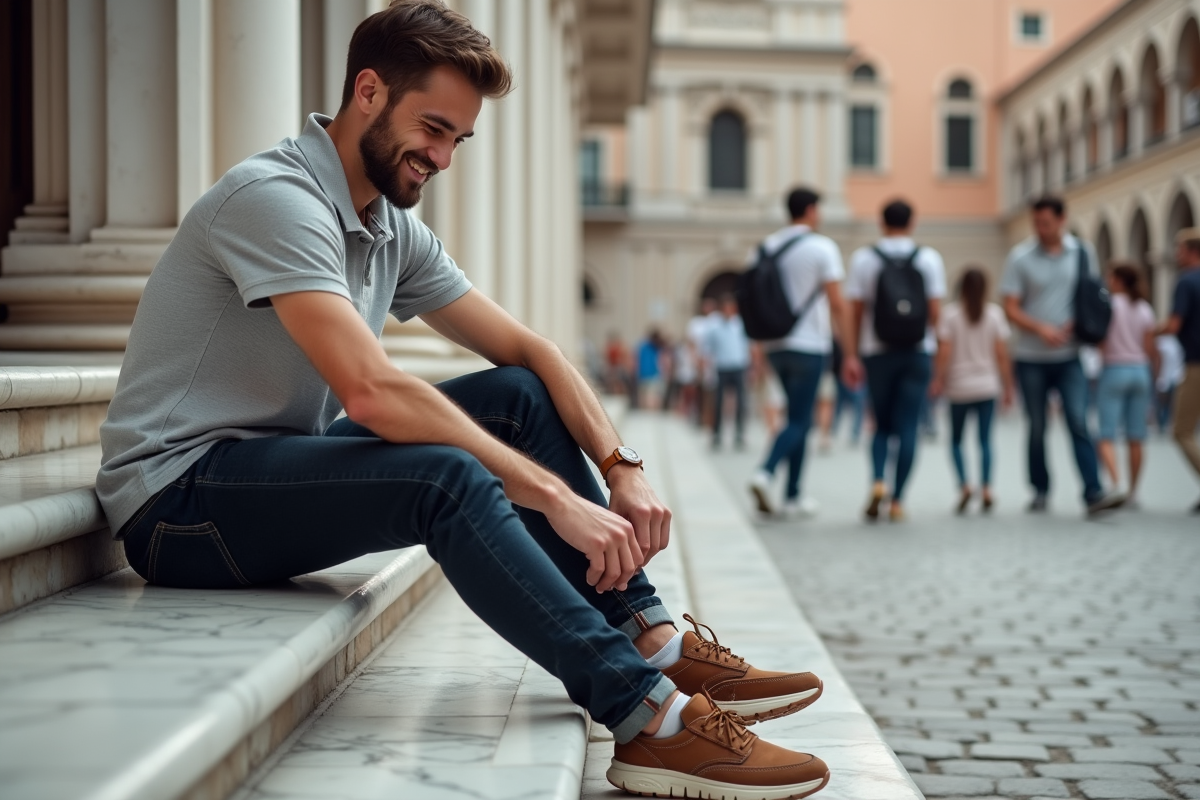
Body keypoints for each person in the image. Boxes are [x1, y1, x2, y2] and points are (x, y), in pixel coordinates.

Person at [94, 4, 831, 797]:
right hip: (178, 506)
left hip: (262, 469)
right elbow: (372, 392)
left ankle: (648, 636)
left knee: (516, 394)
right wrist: (556, 497)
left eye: (458, 140)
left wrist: (621, 466)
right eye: (433, 129)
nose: (443, 158)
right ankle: (647, 717)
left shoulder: (384, 223)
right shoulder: (277, 199)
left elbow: (532, 352)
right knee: (446, 477)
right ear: (368, 92)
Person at [999, 196, 1124, 516]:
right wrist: (1040, 328)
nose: (1040, 229)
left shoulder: (1083, 252)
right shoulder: (1020, 257)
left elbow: (1089, 294)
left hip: (1070, 355)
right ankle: (1040, 489)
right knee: (1038, 426)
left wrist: (1075, 323)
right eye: (1036, 223)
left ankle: (1093, 492)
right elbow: (1010, 306)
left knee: (1079, 420)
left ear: (1061, 219)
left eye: (1046, 223)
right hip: (1030, 357)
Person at [747, 188, 852, 517]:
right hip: (810, 345)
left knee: (797, 418)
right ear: (809, 210)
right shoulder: (822, 247)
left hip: (776, 344)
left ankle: (793, 496)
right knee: (799, 419)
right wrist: (848, 350)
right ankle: (765, 472)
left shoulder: (765, 247)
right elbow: (836, 302)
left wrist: (758, 350)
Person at [842, 199, 944, 523]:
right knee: (909, 427)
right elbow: (936, 313)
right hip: (917, 351)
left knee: (881, 426)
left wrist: (852, 354)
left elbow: (856, 312)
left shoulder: (864, 259)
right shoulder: (928, 258)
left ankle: (877, 482)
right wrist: (938, 357)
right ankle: (898, 500)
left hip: (877, 351)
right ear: (912, 222)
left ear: (881, 222)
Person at [930, 267, 1014, 514]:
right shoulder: (995, 314)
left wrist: (938, 379)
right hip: (987, 386)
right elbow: (1001, 354)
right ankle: (987, 487)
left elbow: (944, 352)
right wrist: (1008, 385)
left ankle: (965, 486)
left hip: (958, 387)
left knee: (956, 440)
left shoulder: (950, 315)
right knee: (985, 440)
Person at [1095, 264, 1158, 506]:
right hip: (1140, 370)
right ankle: (1134, 492)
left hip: (1114, 368)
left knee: (1106, 433)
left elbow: (1100, 341)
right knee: (1136, 435)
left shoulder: (1109, 305)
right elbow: (1150, 347)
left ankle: (1116, 483)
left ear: (1118, 280)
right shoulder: (1144, 308)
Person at [1158, 227, 1200, 513]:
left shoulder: (1186, 282)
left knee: (1181, 431)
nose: (1176, 254)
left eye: (1179, 248)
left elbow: (1173, 326)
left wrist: (1149, 334)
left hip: (1196, 364)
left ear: (1191, 251)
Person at [704, 294, 752, 449]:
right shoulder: (714, 326)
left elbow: (748, 346)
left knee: (741, 401)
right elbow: (708, 348)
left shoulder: (740, 324)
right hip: (722, 367)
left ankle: (740, 433)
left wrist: (751, 366)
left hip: (738, 366)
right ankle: (716, 433)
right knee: (718, 401)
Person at [686, 298, 718, 428]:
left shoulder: (716, 322)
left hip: (713, 363)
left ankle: (711, 418)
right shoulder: (696, 323)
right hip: (699, 363)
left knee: (712, 392)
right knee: (700, 391)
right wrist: (695, 360)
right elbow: (691, 343)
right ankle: (700, 417)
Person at [1155, 333, 1184, 434]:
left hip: (1169, 377)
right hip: (1175, 376)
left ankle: (1163, 424)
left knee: (1164, 403)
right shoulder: (1176, 342)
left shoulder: (1162, 342)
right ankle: (1165, 424)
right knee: (1169, 403)